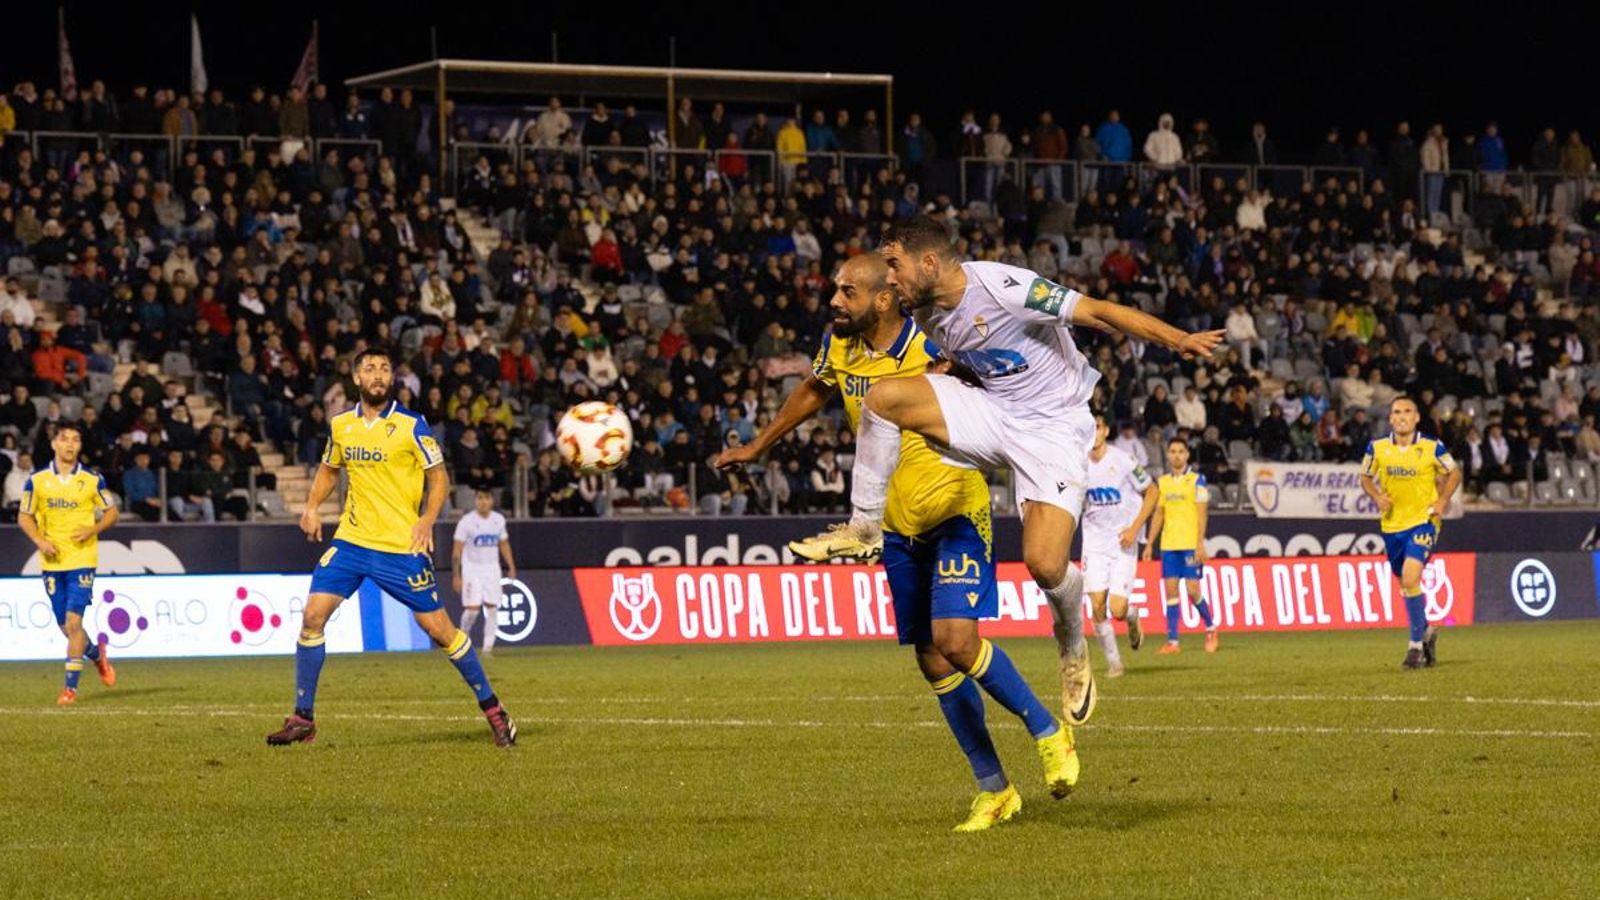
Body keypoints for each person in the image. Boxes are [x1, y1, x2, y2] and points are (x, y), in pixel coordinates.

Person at [790, 216, 1223, 727]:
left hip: (1054, 428)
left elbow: (1098, 310)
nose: (888, 278)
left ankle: (1072, 648)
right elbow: (979, 364)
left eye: (894, 265)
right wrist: (952, 375)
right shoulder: (926, 312)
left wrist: (1177, 339)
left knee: (1043, 564)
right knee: (883, 399)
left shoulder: (1003, 287)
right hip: (995, 412)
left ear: (929, 263)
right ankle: (864, 527)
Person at [714, 254, 1077, 831]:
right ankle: (995, 790)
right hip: (897, 524)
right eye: (835, 289)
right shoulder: (842, 345)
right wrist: (760, 446)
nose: (834, 300)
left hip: (955, 506)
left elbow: (999, 396)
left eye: (847, 291)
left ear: (884, 298)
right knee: (932, 659)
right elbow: (814, 388)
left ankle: (1047, 732)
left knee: (956, 640)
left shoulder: (931, 345)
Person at [266, 347, 516, 747]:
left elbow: (439, 479)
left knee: (438, 630)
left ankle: (494, 710)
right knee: (312, 617)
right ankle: (303, 718)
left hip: (400, 545)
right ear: (356, 379)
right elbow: (329, 469)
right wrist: (312, 507)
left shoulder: (412, 425)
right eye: (370, 368)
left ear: (392, 379)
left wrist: (426, 520)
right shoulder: (342, 425)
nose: (378, 374)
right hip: (351, 540)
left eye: (384, 369)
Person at [17, 424, 119, 705]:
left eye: (75, 440)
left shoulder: (92, 479)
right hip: (51, 561)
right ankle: (97, 655)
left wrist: (92, 530)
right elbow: (24, 517)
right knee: (65, 627)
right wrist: (40, 541)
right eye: (64, 440)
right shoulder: (37, 480)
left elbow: (112, 513)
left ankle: (69, 689)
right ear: (54, 445)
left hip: (82, 559)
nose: (70, 444)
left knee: (75, 624)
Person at [1358, 396, 1462, 669]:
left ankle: (1415, 647)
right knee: (1406, 584)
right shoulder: (1377, 448)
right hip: (1392, 525)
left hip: (1423, 521)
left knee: (1410, 575)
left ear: (1416, 417)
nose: (1402, 416)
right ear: (1390, 418)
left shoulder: (1431, 447)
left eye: (1407, 412)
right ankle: (1426, 631)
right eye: (1396, 412)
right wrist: (1376, 496)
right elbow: (1365, 477)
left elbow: (1454, 473)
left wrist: (1441, 501)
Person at [1081, 414, 1158, 678]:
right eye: (1088, 428)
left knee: (1117, 609)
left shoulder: (1123, 460)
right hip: (1093, 543)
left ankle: (1132, 616)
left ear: (1106, 430)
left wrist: (1135, 528)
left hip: (1122, 541)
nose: (1093, 432)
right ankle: (1115, 663)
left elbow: (1152, 491)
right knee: (1097, 606)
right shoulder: (1077, 463)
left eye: (1098, 427)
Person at [1143, 438, 1220, 654]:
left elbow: (1202, 512)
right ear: (1168, 455)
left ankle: (1211, 628)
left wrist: (1199, 543)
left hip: (1189, 544)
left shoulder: (1198, 480)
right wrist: (1150, 543)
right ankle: (1173, 641)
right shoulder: (1163, 482)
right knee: (1171, 592)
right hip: (1169, 545)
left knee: (1193, 591)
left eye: (1180, 451)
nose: (1176, 455)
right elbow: (1159, 513)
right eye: (1173, 451)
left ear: (1187, 455)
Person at [452, 488, 516, 656]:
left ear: (492, 501)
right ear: (475, 500)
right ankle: (462, 638)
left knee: (493, 608)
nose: (483, 502)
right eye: (480, 498)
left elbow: (503, 544)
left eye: (487, 498)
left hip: (492, 569)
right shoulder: (466, 522)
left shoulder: (498, 520)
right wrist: (456, 575)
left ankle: (487, 649)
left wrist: (511, 565)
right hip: (472, 569)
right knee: (473, 610)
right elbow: (457, 550)